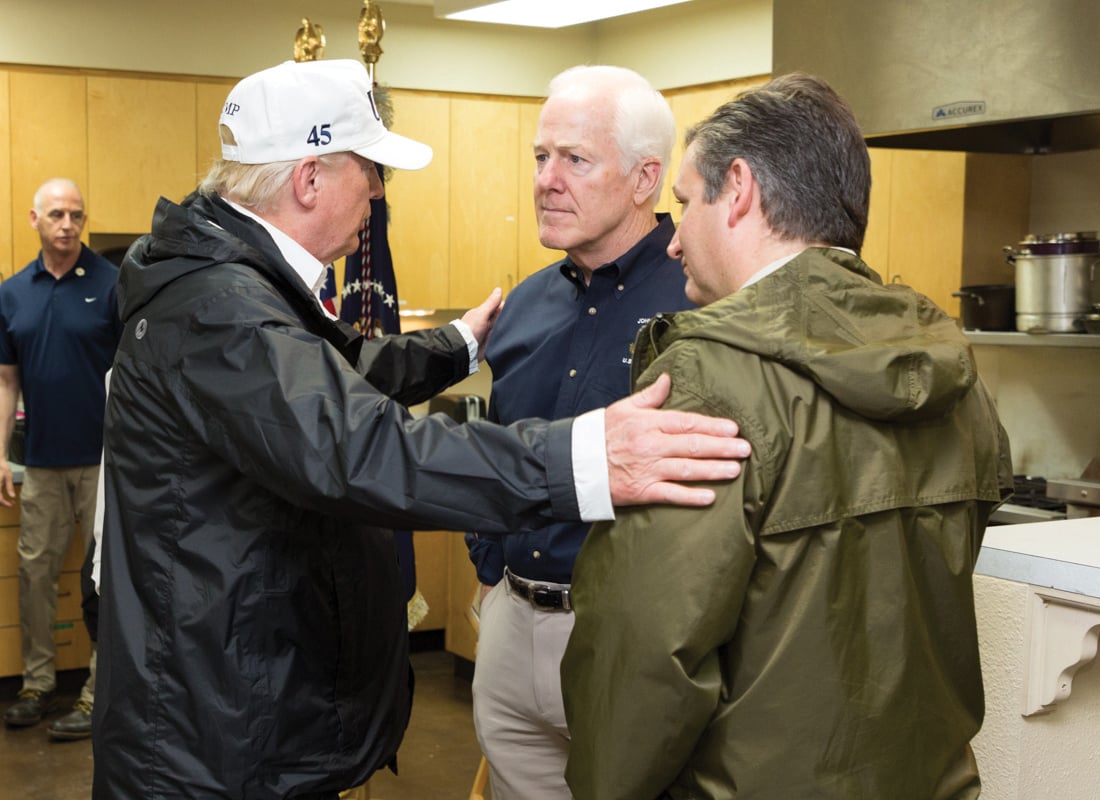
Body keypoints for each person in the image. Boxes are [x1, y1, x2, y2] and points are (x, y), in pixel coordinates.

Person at [92, 58, 747, 800]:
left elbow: (327, 382)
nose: (376, 195)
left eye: (573, 158)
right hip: (209, 732)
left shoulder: (229, 283)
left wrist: (457, 344)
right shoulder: (223, 307)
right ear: (309, 181)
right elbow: (358, 445)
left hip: (228, 705)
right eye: (371, 173)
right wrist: (586, 458)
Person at [560, 72, 1014, 800]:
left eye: (684, 204)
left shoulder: (710, 378)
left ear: (737, 189)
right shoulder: (950, 370)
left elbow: (644, 653)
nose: (671, 245)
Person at [465, 65, 694, 800]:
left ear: (643, 178)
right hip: (511, 621)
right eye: (540, 157)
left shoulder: (700, 302)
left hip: (626, 637)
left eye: (575, 159)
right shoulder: (525, 304)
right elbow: (496, 446)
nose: (546, 180)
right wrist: (491, 566)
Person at [0, 178, 121, 741]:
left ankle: (99, 691)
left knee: (104, 580)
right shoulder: (12, 292)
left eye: (76, 214)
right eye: (56, 214)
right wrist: (1, 454)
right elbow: (6, 382)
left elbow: (132, 376)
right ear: (34, 219)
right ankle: (37, 684)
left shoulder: (112, 283)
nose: (68, 224)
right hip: (42, 463)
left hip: (104, 462)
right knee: (36, 574)